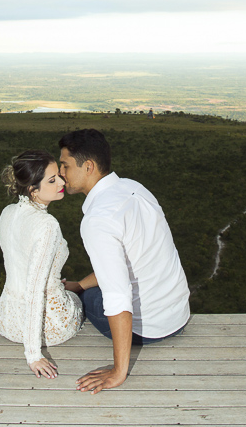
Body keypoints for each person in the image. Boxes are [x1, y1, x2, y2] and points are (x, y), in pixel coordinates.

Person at [58, 129, 190, 394]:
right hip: (178, 314)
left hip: (149, 328)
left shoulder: (98, 220)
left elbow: (117, 294)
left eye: (65, 166)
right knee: (86, 288)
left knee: (86, 299)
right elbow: (132, 261)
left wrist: (118, 372)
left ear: (88, 167)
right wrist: (80, 283)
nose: (61, 173)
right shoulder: (134, 188)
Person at [0, 149, 84, 378]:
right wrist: (33, 354)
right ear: (33, 190)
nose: (62, 182)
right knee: (81, 298)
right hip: (48, 328)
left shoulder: (7, 212)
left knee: (68, 289)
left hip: (7, 321)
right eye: (52, 180)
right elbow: (34, 289)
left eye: (59, 176)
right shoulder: (47, 225)